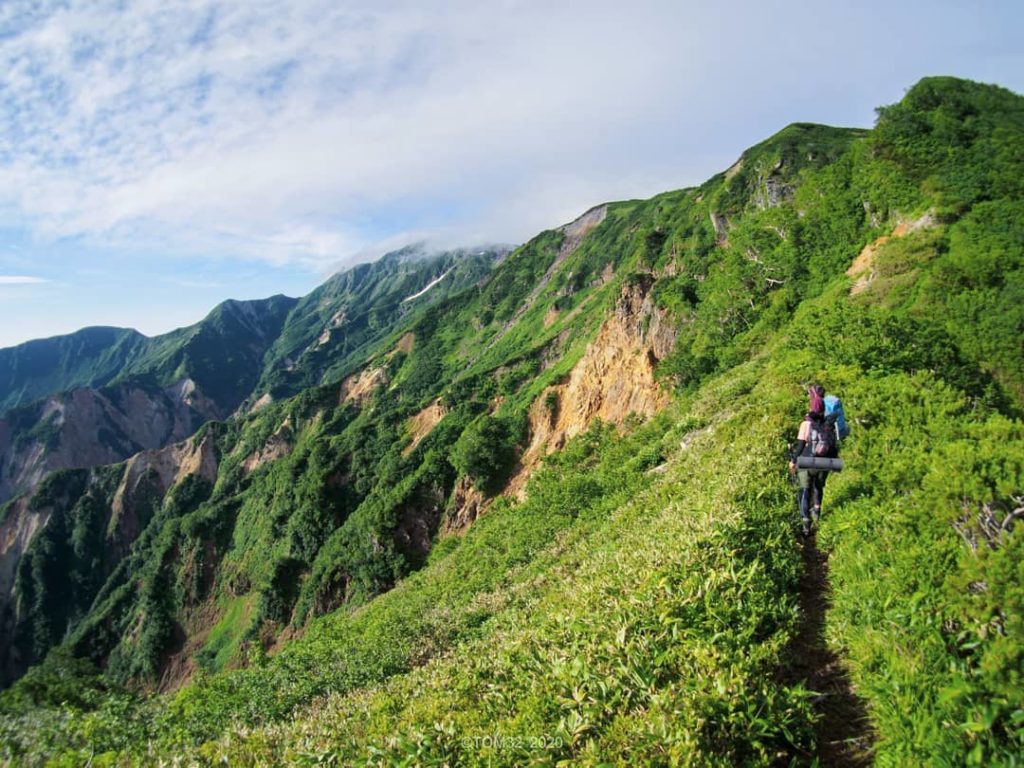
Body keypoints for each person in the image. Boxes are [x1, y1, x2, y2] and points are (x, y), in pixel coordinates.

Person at [789, 385, 837, 536]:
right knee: (818, 487)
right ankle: (817, 510)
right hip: (825, 463)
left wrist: (793, 461)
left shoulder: (806, 424)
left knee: (804, 491)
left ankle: (806, 523)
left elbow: (800, 445)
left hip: (807, 462)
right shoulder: (829, 424)